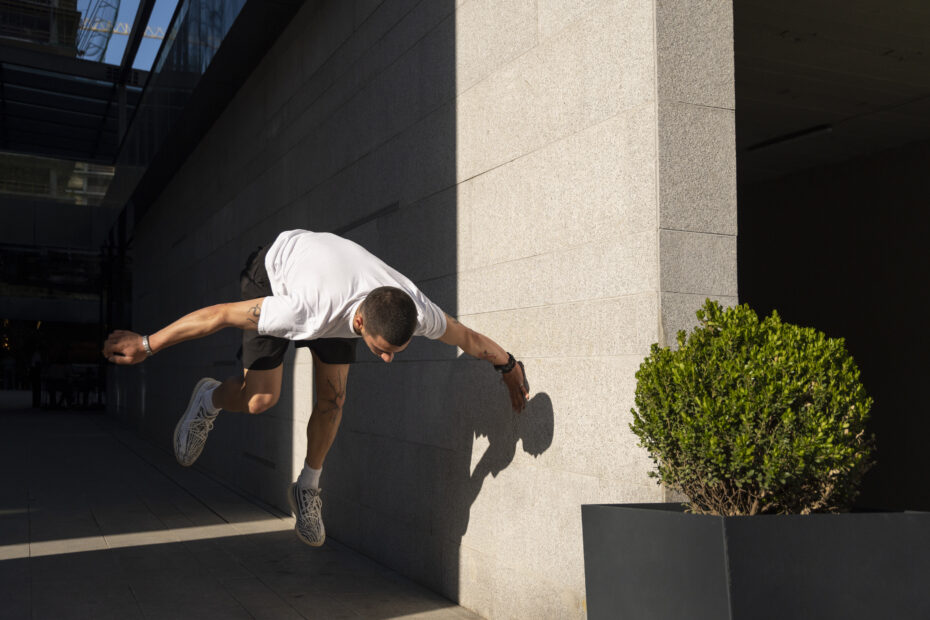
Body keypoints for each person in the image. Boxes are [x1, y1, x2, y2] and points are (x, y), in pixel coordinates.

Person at [103, 229, 529, 547]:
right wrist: (147, 344)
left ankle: (308, 485)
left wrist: (507, 365)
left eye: (393, 351)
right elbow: (217, 315)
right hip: (274, 273)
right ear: (360, 324)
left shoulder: (415, 310)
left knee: (335, 398)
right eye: (381, 350)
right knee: (259, 400)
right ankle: (208, 398)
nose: (386, 359)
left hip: (332, 287)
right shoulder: (303, 310)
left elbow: (468, 339)